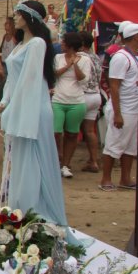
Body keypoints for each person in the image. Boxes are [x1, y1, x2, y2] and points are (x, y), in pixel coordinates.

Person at [0, 0, 66, 225]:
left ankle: (35, 211)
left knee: (34, 161)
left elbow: (30, 81)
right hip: (20, 107)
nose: (14, 17)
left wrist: (11, 108)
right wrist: (4, 102)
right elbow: (14, 79)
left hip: (33, 108)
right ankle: (20, 208)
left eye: (19, 13)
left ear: (29, 16)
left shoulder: (37, 44)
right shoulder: (19, 46)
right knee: (20, 162)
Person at [100, 22, 138, 192]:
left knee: (131, 147)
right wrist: (118, 113)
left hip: (137, 109)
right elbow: (114, 85)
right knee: (114, 143)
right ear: (135, 36)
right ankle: (105, 178)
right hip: (124, 108)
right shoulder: (121, 57)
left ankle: (125, 178)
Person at [50, 32, 88, 179]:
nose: (61, 44)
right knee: (56, 132)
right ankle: (56, 159)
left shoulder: (85, 60)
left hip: (76, 101)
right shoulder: (57, 58)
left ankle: (66, 164)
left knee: (72, 134)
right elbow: (54, 74)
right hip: (58, 99)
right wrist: (68, 65)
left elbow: (83, 79)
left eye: (64, 42)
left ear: (70, 45)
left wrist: (76, 65)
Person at [77, 31, 103, 173]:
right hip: (95, 95)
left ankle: (64, 162)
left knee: (72, 130)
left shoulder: (80, 57)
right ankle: (93, 160)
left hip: (82, 95)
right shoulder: (96, 57)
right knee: (89, 130)